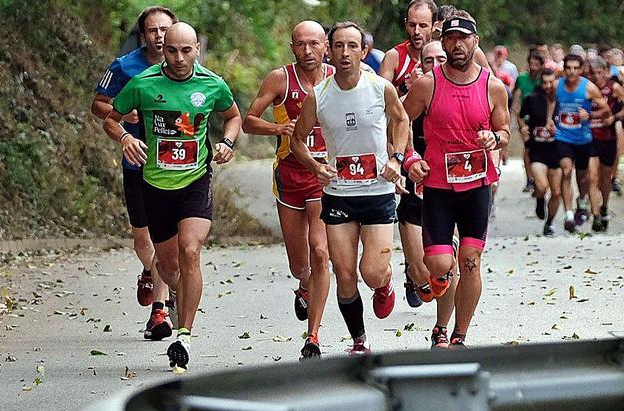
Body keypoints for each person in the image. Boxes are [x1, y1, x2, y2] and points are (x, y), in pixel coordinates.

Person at [105, 22, 242, 370]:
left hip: (195, 181)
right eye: (171, 50)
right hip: (155, 183)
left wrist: (227, 142)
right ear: (162, 50)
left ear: (197, 49)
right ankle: (179, 297)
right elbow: (111, 117)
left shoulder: (212, 84)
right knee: (167, 266)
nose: (179, 58)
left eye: (186, 50)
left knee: (191, 250)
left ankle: (184, 335)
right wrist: (125, 138)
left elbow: (233, 116)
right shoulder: (144, 83)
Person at [292, 21, 409, 355]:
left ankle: (384, 282)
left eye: (352, 46)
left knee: (370, 272)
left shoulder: (380, 87)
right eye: (339, 46)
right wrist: (316, 166)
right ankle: (359, 340)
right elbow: (297, 139)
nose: (345, 53)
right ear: (329, 50)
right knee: (344, 275)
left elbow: (401, 120)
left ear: (364, 51)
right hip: (339, 195)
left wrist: (397, 158)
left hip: (378, 193)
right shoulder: (319, 95)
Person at [402, 11, 510, 348]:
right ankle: (440, 316)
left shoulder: (493, 87)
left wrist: (496, 139)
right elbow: (400, 121)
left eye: (464, 38)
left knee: (470, 261)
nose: (457, 44)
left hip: (477, 185)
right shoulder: (427, 84)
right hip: (437, 187)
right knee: (438, 263)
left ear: (475, 42)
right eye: (450, 38)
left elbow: (504, 129)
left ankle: (457, 335)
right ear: (443, 42)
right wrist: (409, 157)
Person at [241, 21, 334, 360]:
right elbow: (249, 120)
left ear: (326, 45)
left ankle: (313, 336)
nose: (307, 51)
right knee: (301, 264)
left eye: (314, 43)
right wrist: (279, 127)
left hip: (324, 177)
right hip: (290, 177)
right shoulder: (280, 79)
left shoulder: (339, 79)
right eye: (300, 44)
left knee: (321, 252)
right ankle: (304, 285)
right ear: (292, 47)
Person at [91, 6, 177, 341]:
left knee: (163, 237)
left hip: (173, 166)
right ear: (143, 36)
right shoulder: (125, 67)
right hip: (137, 162)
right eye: (152, 31)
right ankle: (148, 268)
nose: (159, 36)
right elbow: (99, 104)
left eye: (164, 29)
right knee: (143, 240)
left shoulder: (188, 66)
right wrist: (124, 119)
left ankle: (160, 310)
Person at [397, 40, 461, 348]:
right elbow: (395, 134)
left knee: (449, 262)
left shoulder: (465, 95)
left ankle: (441, 328)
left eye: (441, 59)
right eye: (428, 61)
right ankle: (416, 278)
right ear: (419, 66)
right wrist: (407, 160)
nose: (434, 65)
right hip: (416, 190)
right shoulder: (410, 101)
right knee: (424, 273)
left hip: (454, 190)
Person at [551, 54, 610, 233]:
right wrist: (549, 120)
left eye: (576, 68)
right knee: (566, 171)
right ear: (564, 69)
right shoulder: (557, 85)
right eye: (568, 68)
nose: (571, 72)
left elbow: (606, 111)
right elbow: (550, 102)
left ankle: (581, 200)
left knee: (584, 177)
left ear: (581, 70)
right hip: (563, 137)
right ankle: (569, 214)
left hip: (583, 139)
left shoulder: (589, 88)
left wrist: (590, 115)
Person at [586, 57, 624, 232]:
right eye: (593, 73)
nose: (597, 77)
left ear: (606, 72)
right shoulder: (586, 87)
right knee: (592, 177)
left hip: (608, 137)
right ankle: (595, 215)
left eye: (600, 73)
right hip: (590, 137)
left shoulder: (613, 87)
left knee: (605, 178)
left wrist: (614, 117)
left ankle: (604, 206)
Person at [520, 64, 564, 235]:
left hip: (557, 149)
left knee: (556, 191)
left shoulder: (562, 101)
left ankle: (550, 223)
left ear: (556, 82)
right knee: (542, 185)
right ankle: (539, 199)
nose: (547, 86)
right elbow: (521, 117)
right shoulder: (532, 99)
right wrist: (523, 128)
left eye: (551, 82)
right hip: (537, 149)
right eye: (544, 82)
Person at [379, 0, 436, 95]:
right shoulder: (394, 57)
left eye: (423, 26)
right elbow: (379, 98)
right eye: (412, 25)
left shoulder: (442, 56)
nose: (417, 31)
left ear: (434, 26)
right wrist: (406, 85)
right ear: (406, 24)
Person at [513, 52, 546, 201]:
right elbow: (516, 101)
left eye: (536, 64)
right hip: (525, 119)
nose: (533, 67)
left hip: (541, 120)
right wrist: (520, 125)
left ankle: (540, 178)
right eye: (531, 64)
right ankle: (529, 179)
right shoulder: (522, 79)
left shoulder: (544, 80)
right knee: (528, 148)